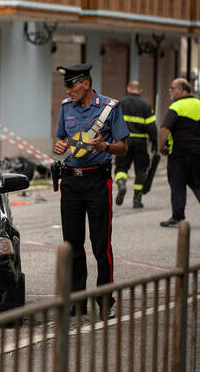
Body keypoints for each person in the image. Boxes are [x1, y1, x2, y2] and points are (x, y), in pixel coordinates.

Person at [53, 63, 129, 319]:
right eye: (67, 85)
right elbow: (61, 139)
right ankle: (77, 301)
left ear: (85, 83)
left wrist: (105, 146)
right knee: (72, 244)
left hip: (98, 182)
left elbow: (123, 147)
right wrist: (60, 147)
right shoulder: (66, 108)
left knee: (101, 246)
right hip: (71, 183)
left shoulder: (109, 107)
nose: (68, 90)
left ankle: (105, 299)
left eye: (72, 84)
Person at [158, 78, 200, 227]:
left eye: (172, 88)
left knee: (177, 185)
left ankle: (177, 217)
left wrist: (162, 146)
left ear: (182, 90)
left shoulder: (177, 106)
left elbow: (164, 129)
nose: (170, 90)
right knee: (197, 184)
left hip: (178, 154)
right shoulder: (199, 104)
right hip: (197, 153)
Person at [113, 81, 157, 208]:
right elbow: (151, 127)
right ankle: (137, 199)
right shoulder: (146, 105)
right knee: (141, 170)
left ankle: (121, 184)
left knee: (121, 167)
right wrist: (154, 142)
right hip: (140, 143)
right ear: (140, 91)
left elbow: (113, 123)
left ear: (128, 89)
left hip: (123, 141)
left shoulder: (120, 103)